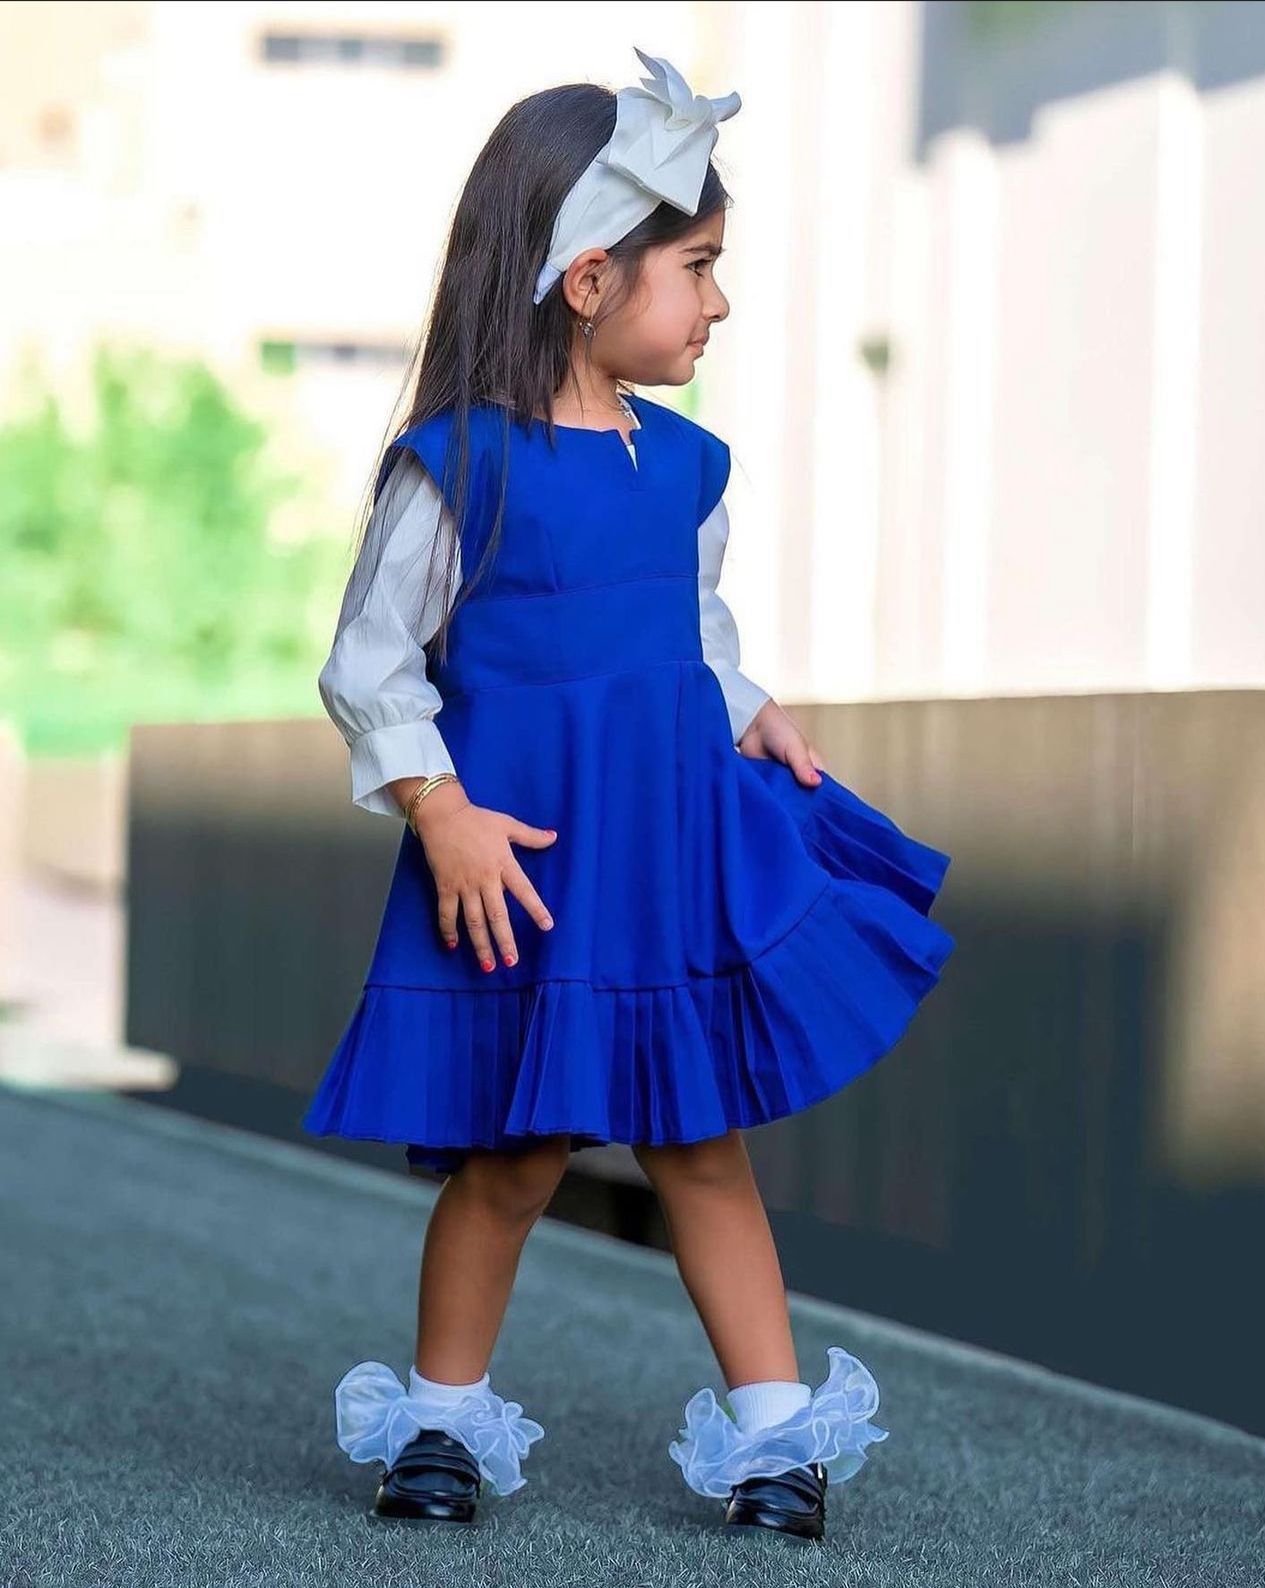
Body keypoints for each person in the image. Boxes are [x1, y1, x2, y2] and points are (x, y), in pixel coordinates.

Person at [301, 47, 956, 1541]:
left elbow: (690, 636)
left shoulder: (689, 471)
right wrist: (441, 811)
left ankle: (778, 1436)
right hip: (529, 869)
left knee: (702, 1141)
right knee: (515, 1156)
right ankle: (441, 1420)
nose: (720, 304)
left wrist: (751, 708)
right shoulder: (458, 468)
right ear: (590, 279)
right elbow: (371, 663)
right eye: (699, 268)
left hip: (665, 859)